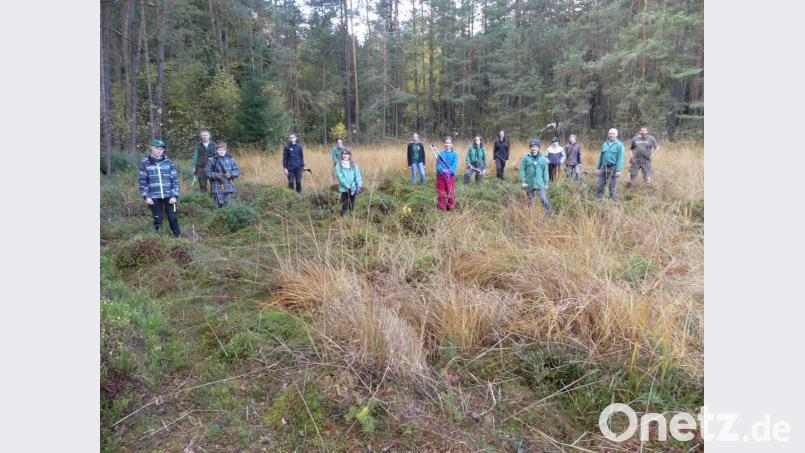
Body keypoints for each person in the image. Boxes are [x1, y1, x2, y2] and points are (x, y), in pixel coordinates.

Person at [138, 139, 181, 237]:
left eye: (161, 149)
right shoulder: (145, 163)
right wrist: (146, 197)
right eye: (157, 148)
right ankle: (158, 239)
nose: (159, 151)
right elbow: (142, 182)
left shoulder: (169, 162)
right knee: (158, 218)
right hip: (153, 197)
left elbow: (175, 180)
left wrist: (174, 195)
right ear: (151, 148)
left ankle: (178, 238)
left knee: (173, 217)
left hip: (169, 195)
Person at [519, 139, 552, 215]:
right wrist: (523, 181)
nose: (534, 148)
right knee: (531, 200)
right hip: (529, 183)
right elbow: (522, 170)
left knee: (543, 198)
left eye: (536, 147)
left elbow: (545, 172)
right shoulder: (525, 158)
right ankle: (532, 215)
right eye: (532, 146)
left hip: (540, 183)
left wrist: (546, 183)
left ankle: (549, 213)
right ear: (530, 148)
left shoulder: (543, 159)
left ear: (538, 148)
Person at [205, 142, 241, 208]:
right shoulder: (212, 160)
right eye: (220, 150)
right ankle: (219, 217)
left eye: (223, 150)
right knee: (219, 205)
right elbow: (207, 172)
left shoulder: (231, 159)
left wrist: (231, 174)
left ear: (226, 150)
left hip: (229, 185)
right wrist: (215, 175)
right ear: (217, 150)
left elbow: (237, 171)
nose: (222, 152)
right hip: (217, 186)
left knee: (229, 205)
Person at [595, 128, 625, 200]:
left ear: (616, 135)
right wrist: (598, 168)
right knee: (600, 184)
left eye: (613, 133)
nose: (611, 135)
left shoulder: (619, 145)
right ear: (608, 135)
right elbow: (601, 157)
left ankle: (613, 201)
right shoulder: (605, 144)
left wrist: (618, 170)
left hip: (613, 168)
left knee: (612, 186)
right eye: (610, 133)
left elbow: (620, 158)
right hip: (604, 167)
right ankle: (599, 200)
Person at [335, 148, 363, 215]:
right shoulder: (338, 165)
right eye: (343, 154)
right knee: (345, 205)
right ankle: (342, 217)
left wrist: (359, 185)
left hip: (353, 188)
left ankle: (351, 216)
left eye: (347, 154)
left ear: (349, 155)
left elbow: (358, 175)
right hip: (344, 188)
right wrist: (347, 185)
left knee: (352, 203)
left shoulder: (354, 165)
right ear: (341, 155)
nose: (345, 155)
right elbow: (340, 177)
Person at [434, 136, 458, 211]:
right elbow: (438, 164)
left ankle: (450, 206)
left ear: (452, 144)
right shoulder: (440, 153)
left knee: (450, 191)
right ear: (444, 144)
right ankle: (442, 207)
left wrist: (449, 171)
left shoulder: (455, 154)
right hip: (440, 176)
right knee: (441, 192)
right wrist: (443, 170)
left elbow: (454, 165)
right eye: (446, 143)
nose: (447, 144)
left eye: (449, 143)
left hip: (450, 176)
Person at [192, 129, 217, 194]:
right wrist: (194, 167)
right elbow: (195, 156)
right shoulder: (198, 145)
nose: (205, 136)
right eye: (203, 135)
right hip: (201, 167)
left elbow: (217, 156)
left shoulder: (214, 145)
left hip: (212, 167)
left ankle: (214, 197)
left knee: (214, 183)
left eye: (206, 135)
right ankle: (204, 198)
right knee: (202, 184)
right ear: (201, 136)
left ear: (209, 136)